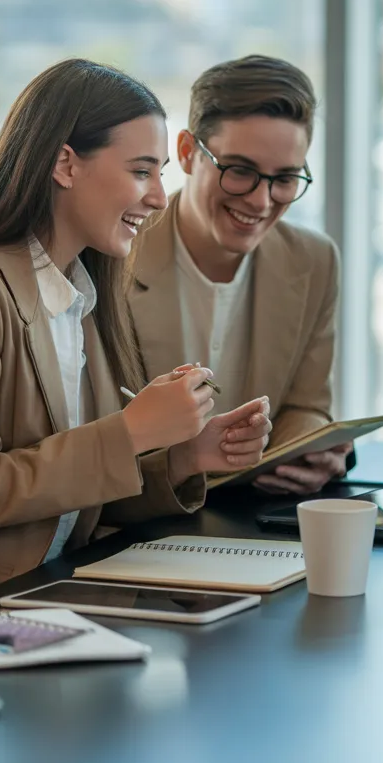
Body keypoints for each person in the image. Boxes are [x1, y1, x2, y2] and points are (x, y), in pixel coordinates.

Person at [0, 59, 273, 602]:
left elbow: (75, 495)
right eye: (141, 171)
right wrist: (131, 433)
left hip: (52, 591)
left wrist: (185, 455)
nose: (158, 197)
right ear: (65, 164)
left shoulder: (82, 295)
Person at [129, 55, 350, 495]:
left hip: (254, 517)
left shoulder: (313, 260)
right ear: (188, 153)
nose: (262, 201)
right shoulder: (117, 255)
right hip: (129, 520)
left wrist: (315, 449)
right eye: (241, 171)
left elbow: (307, 405)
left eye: (285, 178)